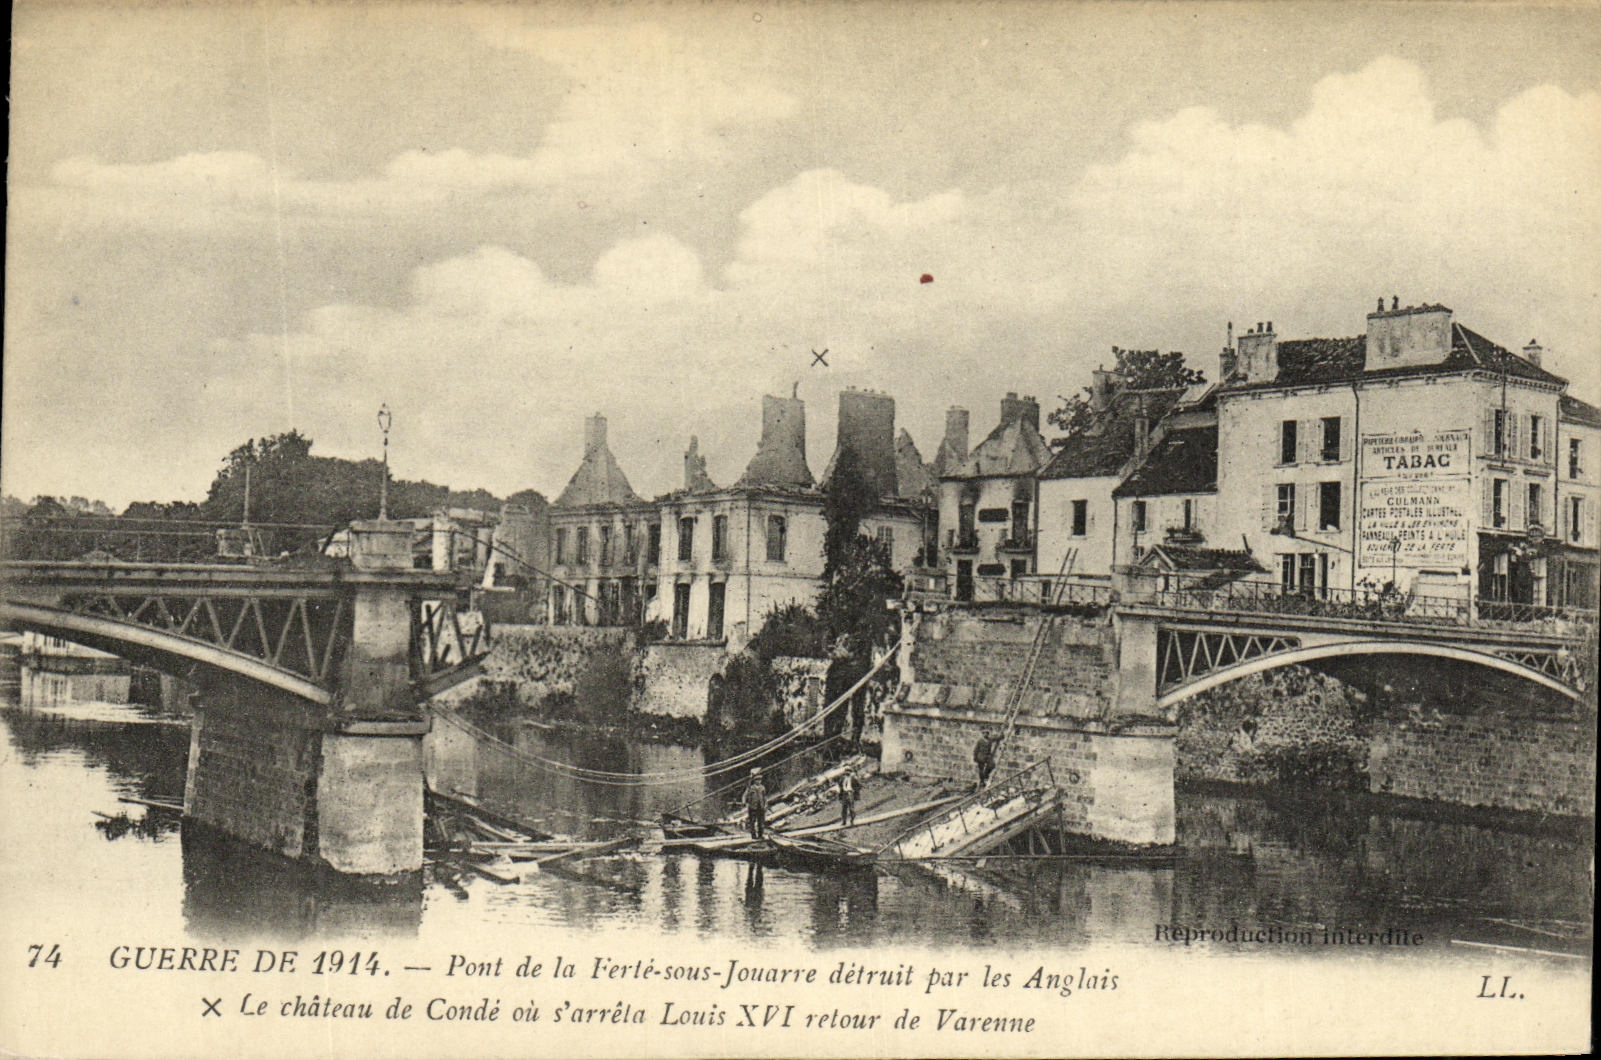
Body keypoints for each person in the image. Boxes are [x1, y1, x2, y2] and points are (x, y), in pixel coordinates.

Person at [743, 767, 768, 840]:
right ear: (754, 781)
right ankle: (753, 835)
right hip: (752, 807)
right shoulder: (751, 788)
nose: (758, 781)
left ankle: (760, 835)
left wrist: (766, 804)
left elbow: (765, 797)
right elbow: (745, 795)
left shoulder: (762, 788)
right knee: (752, 822)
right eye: (757, 780)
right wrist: (744, 802)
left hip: (761, 806)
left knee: (761, 822)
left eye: (760, 780)